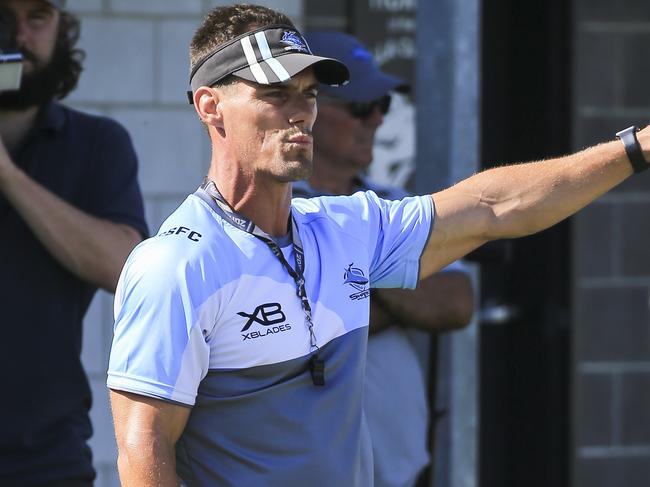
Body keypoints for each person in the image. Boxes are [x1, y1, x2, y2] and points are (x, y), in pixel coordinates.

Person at [107, 4, 650, 486]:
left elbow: (490, 208)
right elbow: (142, 453)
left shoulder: (344, 227)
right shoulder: (176, 263)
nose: (300, 112)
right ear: (210, 106)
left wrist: (638, 147)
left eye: (310, 94)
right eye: (275, 94)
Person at [292, 31, 473, 487]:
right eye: (360, 107)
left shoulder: (390, 203)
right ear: (307, 111)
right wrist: (393, 274)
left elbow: (455, 300)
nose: (376, 119)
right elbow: (301, 329)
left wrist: (346, 275)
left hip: (399, 468)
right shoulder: (272, 208)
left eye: (383, 106)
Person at [0, 0, 148, 485]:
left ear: (62, 27)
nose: (20, 36)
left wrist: (9, 177)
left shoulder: (97, 144)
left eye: (37, 17)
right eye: (2, 18)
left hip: (42, 457)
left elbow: (125, 267)